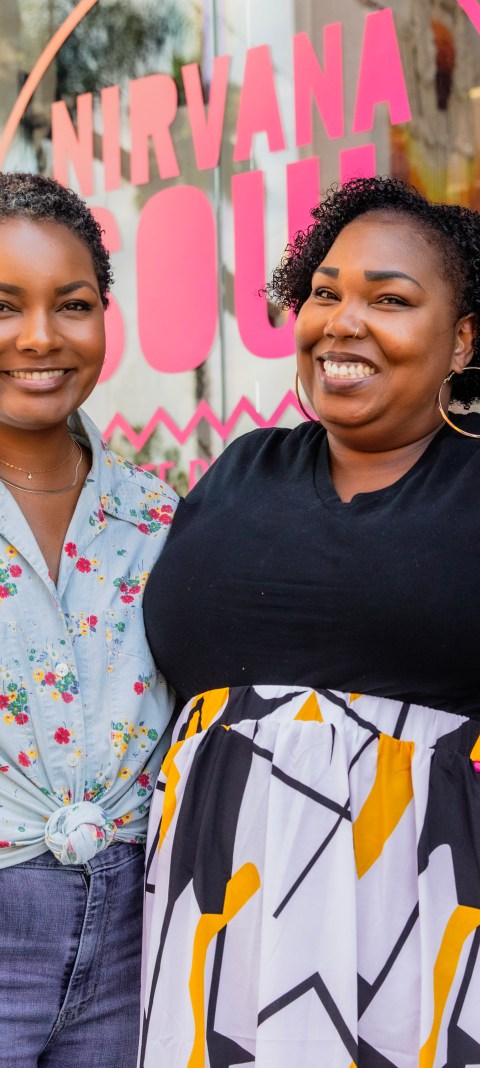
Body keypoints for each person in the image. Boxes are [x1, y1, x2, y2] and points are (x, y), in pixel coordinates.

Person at [139, 176, 480, 1067]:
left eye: (390, 299)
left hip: (474, 954)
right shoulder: (240, 471)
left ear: (463, 338)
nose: (344, 322)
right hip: (235, 953)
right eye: (326, 293)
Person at [0, 172, 178, 1066]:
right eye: (4, 306)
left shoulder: (160, 515)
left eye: (71, 304)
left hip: (134, 932)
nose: (39, 337)